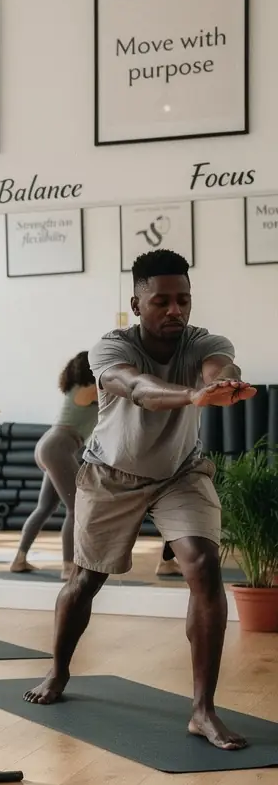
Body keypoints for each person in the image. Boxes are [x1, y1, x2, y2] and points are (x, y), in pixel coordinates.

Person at [24, 249, 255, 751]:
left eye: (184, 300)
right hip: (112, 475)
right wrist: (194, 397)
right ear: (137, 302)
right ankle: (59, 670)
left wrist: (219, 381)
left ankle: (203, 710)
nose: (175, 310)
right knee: (85, 581)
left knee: (203, 564)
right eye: (162, 301)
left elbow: (220, 364)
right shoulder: (109, 348)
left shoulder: (204, 342)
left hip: (180, 472)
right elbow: (139, 388)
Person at [11, 351, 98, 580]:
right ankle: (69, 567)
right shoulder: (89, 389)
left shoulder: (76, 388)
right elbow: (118, 392)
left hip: (52, 446)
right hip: (58, 447)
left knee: (45, 507)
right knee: (76, 507)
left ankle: (19, 559)